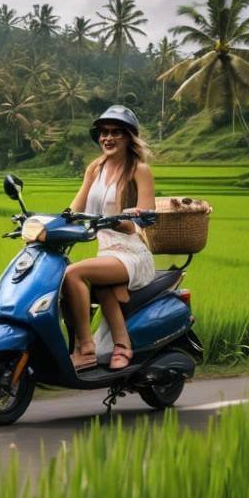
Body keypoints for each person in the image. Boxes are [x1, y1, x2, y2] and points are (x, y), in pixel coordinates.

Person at [62, 105, 155, 372]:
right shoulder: (95, 168)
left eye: (116, 132)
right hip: (107, 254)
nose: (108, 138)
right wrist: (53, 221)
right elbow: (76, 207)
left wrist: (129, 220)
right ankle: (122, 345)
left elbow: (147, 214)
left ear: (128, 137)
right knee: (95, 285)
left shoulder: (139, 170)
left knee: (73, 274)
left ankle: (86, 348)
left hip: (132, 253)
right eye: (103, 133)